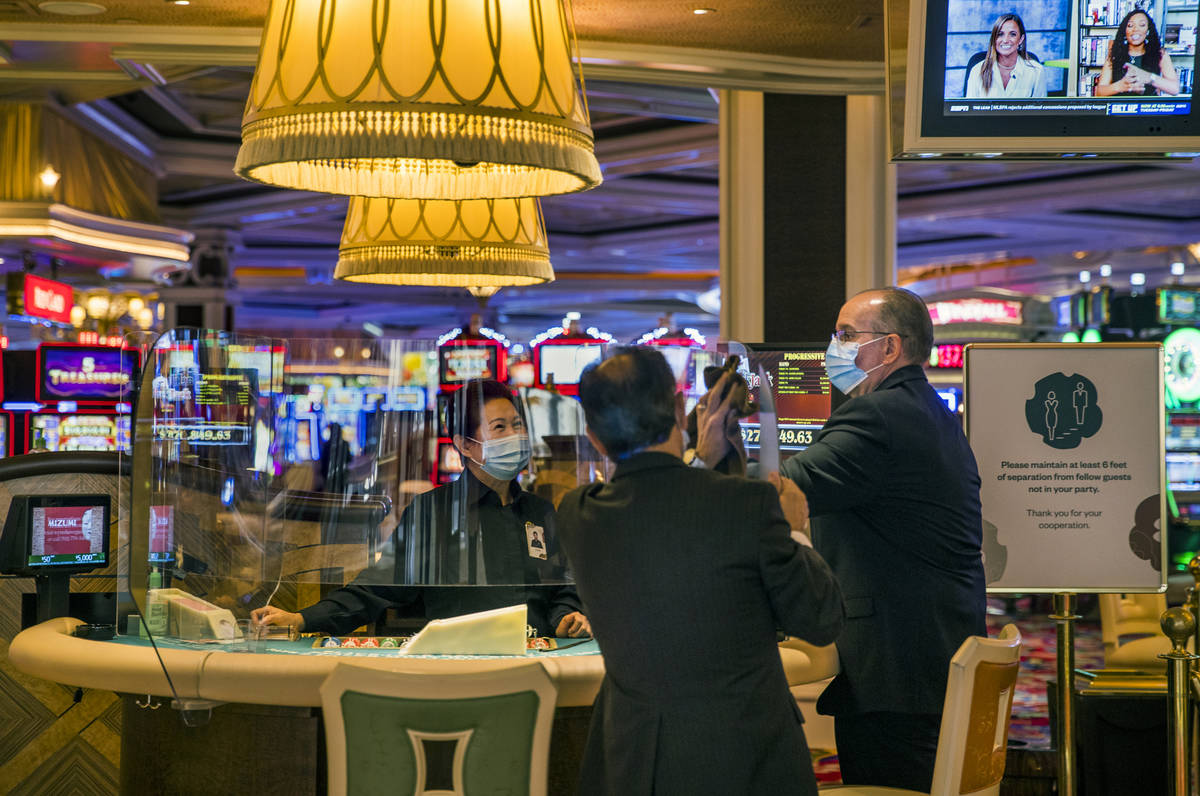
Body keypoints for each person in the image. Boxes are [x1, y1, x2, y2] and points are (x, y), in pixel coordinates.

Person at [694, 287, 986, 792]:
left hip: (899, 673)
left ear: (891, 348)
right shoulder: (927, 411)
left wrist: (710, 454)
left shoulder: (878, 417)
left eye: (847, 335)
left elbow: (782, 497)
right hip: (929, 656)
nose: (834, 347)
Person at [557, 346, 844, 795]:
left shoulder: (578, 513)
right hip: (747, 761)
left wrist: (697, 459)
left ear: (593, 436)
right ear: (677, 408)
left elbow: (659, 506)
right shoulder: (748, 504)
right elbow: (821, 619)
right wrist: (795, 531)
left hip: (634, 762)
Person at [253, 379, 590, 639]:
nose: (516, 436)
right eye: (500, 428)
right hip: (461, 666)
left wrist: (566, 617)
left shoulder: (541, 511)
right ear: (465, 445)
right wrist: (301, 618)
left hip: (538, 662)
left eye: (518, 425)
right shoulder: (435, 511)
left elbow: (564, 588)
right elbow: (377, 588)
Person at [1095, 9, 1180, 96]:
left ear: (1148, 30)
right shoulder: (1114, 54)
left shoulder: (1160, 54)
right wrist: (1121, 86)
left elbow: (1175, 89)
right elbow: (1099, 92)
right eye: (1130, 25)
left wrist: (1149, 77)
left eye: (1142, 25)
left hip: (1147, 108)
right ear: (1125, 31)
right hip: (1120, 108)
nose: (1135, 29)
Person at [964, 14, 1047, 99]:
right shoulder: (977, 71)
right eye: (1000, 34)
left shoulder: (1037, 71)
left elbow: (1040, 111)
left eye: (1012, 34)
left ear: (1021, 39)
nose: (1005, 40)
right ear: (994, 39)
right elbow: (970, 111)